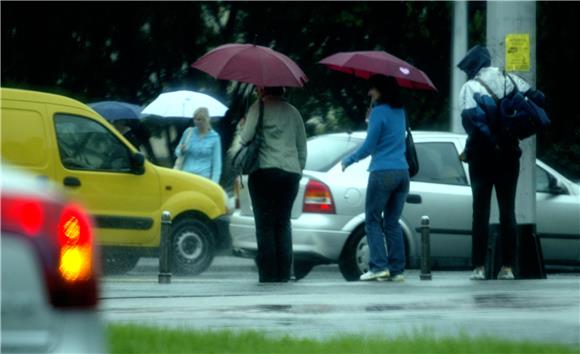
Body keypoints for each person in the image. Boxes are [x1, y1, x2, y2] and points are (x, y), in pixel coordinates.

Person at [457, 45, 533, 280]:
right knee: (507, 211)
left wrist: (483, 143)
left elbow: (472, 124)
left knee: (480, 212)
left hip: (482, 157)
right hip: (509, 156)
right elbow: (531, 107)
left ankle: (478, 267)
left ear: (472, 68)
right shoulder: (512, 80)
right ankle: (508, 267)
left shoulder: (470, 88)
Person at [341, 74, 410, 282]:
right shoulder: (401, 111)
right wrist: (371, 121)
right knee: (392, 222)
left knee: (372, 219)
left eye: (372, 89)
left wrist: (349, 160)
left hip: (383, 172)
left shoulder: (379, 112)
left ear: (380, 90)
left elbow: (370, 146)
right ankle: (397, 269)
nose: (369, 92)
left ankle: (379, 266)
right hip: (403, 172)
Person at [237, 86, 307, 283]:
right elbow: (302, 148)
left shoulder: (258, 108)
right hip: (291, 174)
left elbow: (245, 139)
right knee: (283, 223)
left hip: (265, 172)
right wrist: (298, 171)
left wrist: (244, 126)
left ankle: (269, 275)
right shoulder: (294, 113)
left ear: (262, 88)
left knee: (265, 225)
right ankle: (284, 274)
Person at [174, 107, 222, 183]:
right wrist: (181, 150)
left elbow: (217, 164)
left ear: (206, 120)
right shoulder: (188, 132)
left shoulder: (215, 137)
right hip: (186, 176)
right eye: (195, 119)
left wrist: (214, 183)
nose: (196, 122)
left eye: (199, 119)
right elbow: (177, 152)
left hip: (204, 179)